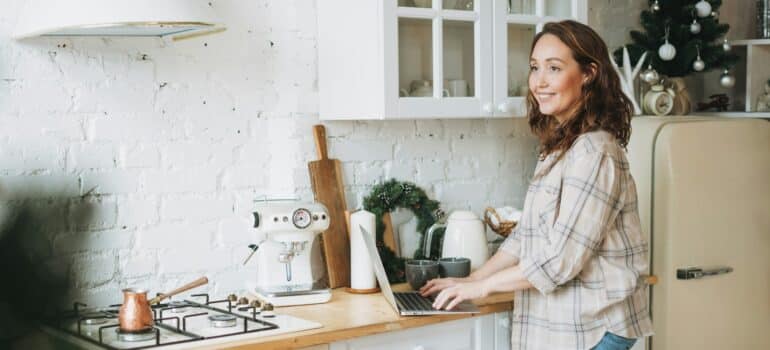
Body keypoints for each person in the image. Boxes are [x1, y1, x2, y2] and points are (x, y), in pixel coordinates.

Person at [420, 20, 653, 350]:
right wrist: (473, 279)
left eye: (554, 68)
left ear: (588, 74)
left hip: (594, 327)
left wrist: (483, 289)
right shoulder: (561, 146)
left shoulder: (595, 151)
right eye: (534, 68)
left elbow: (561, 259)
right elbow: (526, 236)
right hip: (565, 324)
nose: (539, 82)